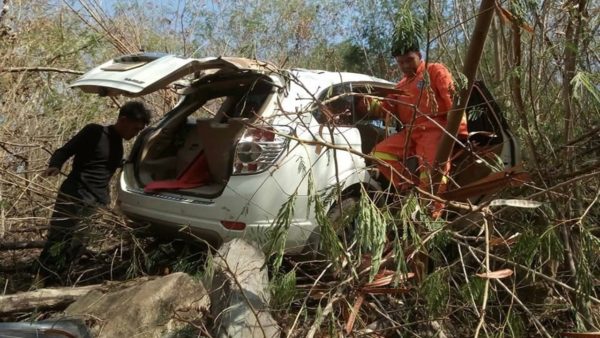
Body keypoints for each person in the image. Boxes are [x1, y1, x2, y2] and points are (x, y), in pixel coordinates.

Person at [36, 101, 151, 285]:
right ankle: (41, 280)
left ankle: (60, 280)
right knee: (58, 239)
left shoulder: (118, 144)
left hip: (95, 203)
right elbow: (65, 150)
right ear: (123, 120)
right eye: (136, 128)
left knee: (78, 245)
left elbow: (104, 167)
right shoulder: (95, 132)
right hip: (74, 195)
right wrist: (55, 165)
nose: (136, 133)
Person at [362, 41, 468, 197]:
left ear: (419, 55)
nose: (405, 65)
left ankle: (433, 212)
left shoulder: (434, 70)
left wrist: (460, 131)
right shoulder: (400, 86)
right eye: (401, 62)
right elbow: (387, 107)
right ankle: (409, 189)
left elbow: (452, 99)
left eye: (409, 60)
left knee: (432, 173)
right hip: (410, 132)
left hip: (434, 129)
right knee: (380, 153)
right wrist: (364, 103)